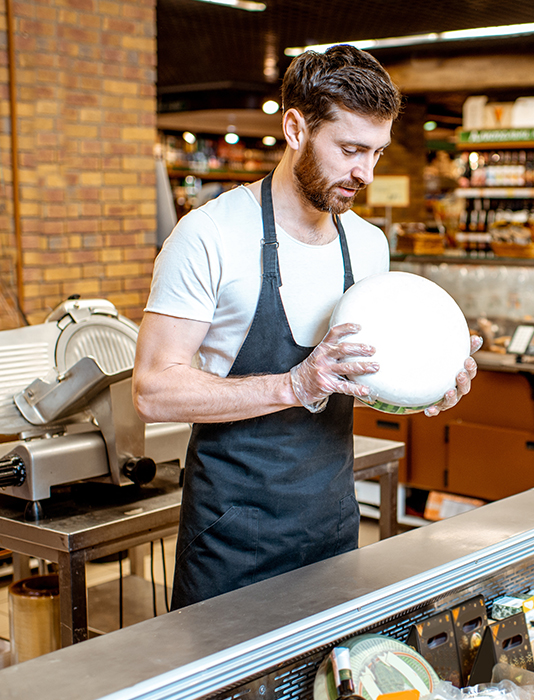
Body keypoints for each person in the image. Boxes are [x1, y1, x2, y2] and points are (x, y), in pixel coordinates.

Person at [132, 45, 480, 610]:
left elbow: (357, 383)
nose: (364, 173)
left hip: (333, 524)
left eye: (377, 153)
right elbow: (152, 389)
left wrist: (425, 387)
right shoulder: (210, 237)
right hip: (232, 536)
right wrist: (293, 385)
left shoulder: (368, 245)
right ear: (295, 127)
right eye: (349, 149)